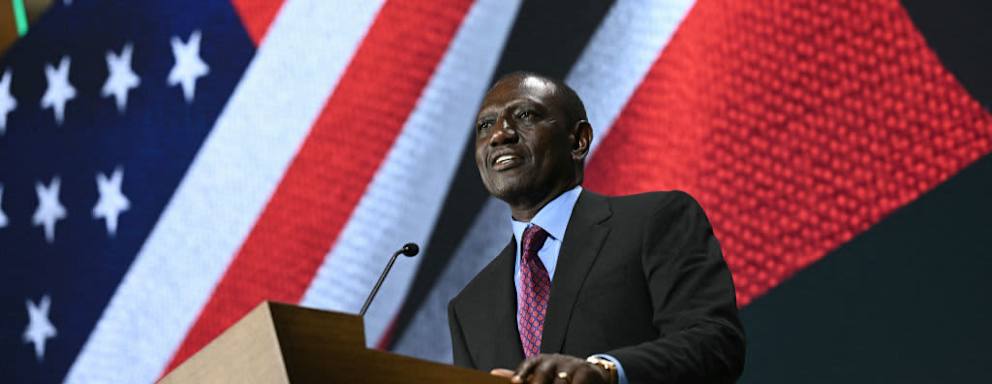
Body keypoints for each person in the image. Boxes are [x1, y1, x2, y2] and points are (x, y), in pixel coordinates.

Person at [447, 72, 745, 384]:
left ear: (578, 140)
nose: (499, 134)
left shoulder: (654, 221)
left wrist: (607, 371)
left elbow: (715, 343)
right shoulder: (469, 307)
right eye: (485, 125)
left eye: (524, 115)